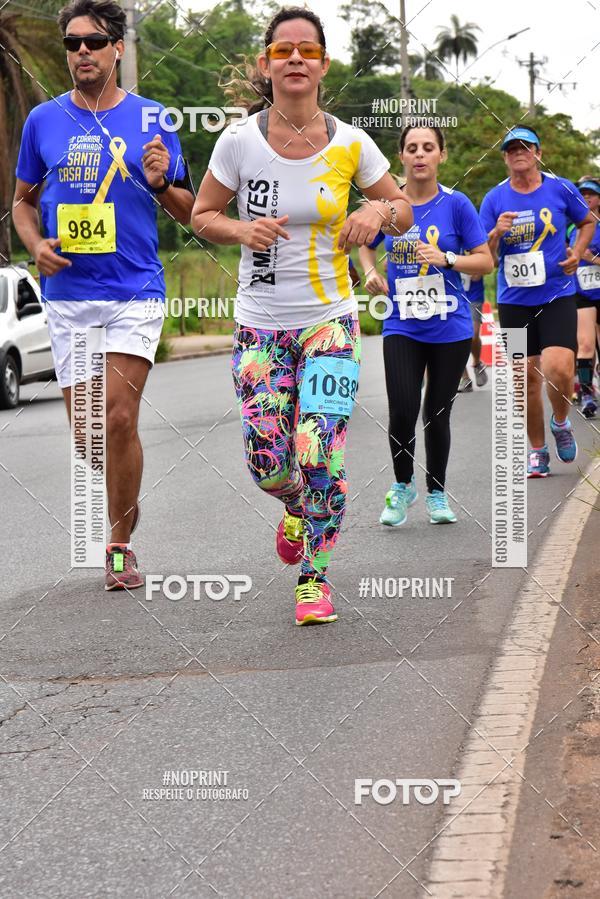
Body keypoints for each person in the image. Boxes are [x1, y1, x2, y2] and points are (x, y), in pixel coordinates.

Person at [191, 6, 412, 625]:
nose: (295, 58)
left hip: (330, 322)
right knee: (269, 466)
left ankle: (314, 578)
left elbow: (401, 209)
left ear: (323, 65)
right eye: (283, 50)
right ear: (266, 64)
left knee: (319, 451)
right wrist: (241, 229)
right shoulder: (238, 141)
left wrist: (376, 212)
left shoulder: (352, 143)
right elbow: (202, 215)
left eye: (307, 50)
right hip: (260, 325)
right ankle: (293, 505)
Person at [12, 0, 194, 588]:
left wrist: (162, 182)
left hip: (134, 290)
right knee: (90, 437)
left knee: (117, 417)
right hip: (67, 295)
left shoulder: (153, 119)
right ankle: (125, 500)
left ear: (118, 47)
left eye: (93, 41)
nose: (82, 51)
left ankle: (118, 545)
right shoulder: (43, 121)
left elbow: (191, 212)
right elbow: (22, 203)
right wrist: (35, 245)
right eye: (72, 43)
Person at [358, 125, 493, 527]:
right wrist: (369, 271)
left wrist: (447, 258)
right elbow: (365, 244)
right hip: (402, 323)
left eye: (428, 147)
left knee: (436, 412)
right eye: (412, 148)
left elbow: (485, 260)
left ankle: (436, 492)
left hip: (450, 325)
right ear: (400, 156)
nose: (420, 154)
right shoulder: (389, 206)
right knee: (402, 409)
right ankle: (403, 486)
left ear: (441, 156)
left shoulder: (456, 204)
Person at [480, 127, 594, 477]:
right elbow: (486, 259)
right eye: (511, 149)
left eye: (525, 147)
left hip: (557, 294)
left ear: (538, 153)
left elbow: (587, 221)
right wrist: (496, 234)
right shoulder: (494, 199)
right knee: (524, 379)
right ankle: (538, 450)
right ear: (505, 157)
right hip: (514, 302)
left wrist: (576, 251)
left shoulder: (561, 188)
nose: (519, 153)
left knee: (560, 369)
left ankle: (560, 422)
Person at [571, 177, 600, 418]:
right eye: (583, 194)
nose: (586, 197)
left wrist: (593, 259)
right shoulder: (571, 227)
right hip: (582, 294)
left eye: (591, 194)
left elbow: (589, 257)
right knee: (586, 344)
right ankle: (587, 394)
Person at [457, 264, 488, 392]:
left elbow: (488, 261)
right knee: (454, 338)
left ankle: (476, 363)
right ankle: (465, 378)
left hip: (473, 295)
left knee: (473, 334)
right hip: (452, 295)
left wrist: (479, 269)